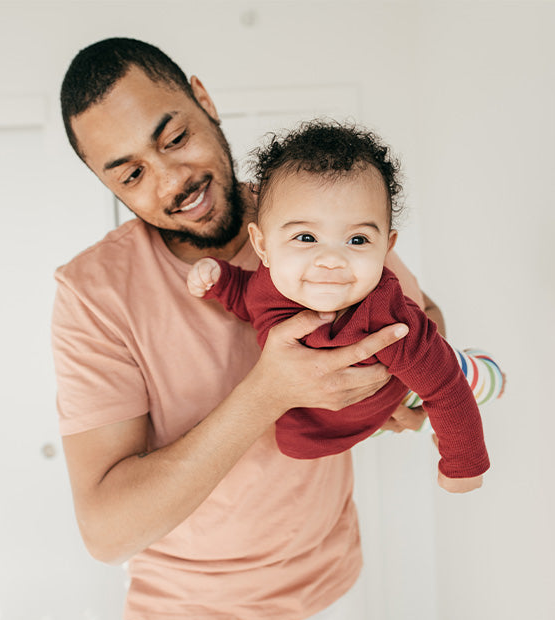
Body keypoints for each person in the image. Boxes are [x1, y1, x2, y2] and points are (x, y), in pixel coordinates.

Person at [53, 36, 499, 620]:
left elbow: (419, 315)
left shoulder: (317, 211)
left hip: (331, 590)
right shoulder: (93, 293)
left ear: (202, 99)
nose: (172, 180)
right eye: (132, 173)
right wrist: (268, 393)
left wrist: (405, 388)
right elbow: (107, 534)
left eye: (174, 138)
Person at [187, 120, 489, 492]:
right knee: (301, 441)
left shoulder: (386, 316)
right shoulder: (270, 284)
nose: (331, 260)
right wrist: (219, 281)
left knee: (469, 379)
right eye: (306, 237)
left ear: (387, 246)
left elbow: (446, 388)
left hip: (400, 391)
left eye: (357, 239)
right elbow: (248, 299)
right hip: (347, 419)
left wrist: (462, 466)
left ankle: (486, 372)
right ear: (263, 246)